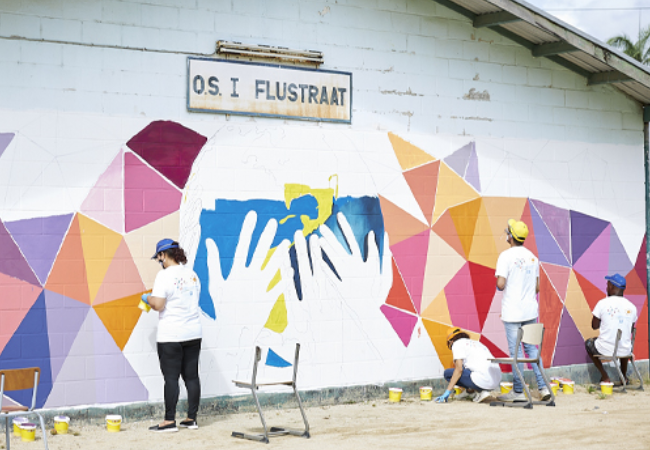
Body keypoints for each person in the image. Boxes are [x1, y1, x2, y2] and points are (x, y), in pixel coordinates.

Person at [141, 239, 202, 433]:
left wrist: (147, 298)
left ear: (163, 255)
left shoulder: (164, 276)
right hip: (193, 333)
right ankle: (191, 419)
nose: (159, 261)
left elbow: (158, 305)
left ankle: (169, 421)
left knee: (171, 378)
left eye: (158, 257)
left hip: (171, 335)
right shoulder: (192, 274)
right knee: (191, 377)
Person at [494, 219, 550, 402]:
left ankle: (519, 391)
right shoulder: (533, 257)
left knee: (516, 352)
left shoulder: (505, 256)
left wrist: (500, 284)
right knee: (532, 350)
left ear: (510, 236)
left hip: (512, 312)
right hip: (530, 311)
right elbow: (537, 288)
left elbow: (501, 284)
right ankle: (543, 388)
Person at [585, 274, 638, 384]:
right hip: (626, 350)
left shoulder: (602, 303)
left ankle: (605, 376)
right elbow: (630, 328)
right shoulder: (632, 307)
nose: (606, 287)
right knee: (623, 341)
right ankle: (623, 377)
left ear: (611, 286)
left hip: (606, 349)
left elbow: (594, 326)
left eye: (607, 285)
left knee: (589, 343)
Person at [435, 327, 501, 403]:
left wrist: (448, 391)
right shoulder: (476, 343)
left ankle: (480, 392)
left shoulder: (456, 344)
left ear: (451, 341)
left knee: (448, 373)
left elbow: (459, 369)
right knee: (467, 368)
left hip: (483, 381)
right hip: (496, 381)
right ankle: (470, 392)